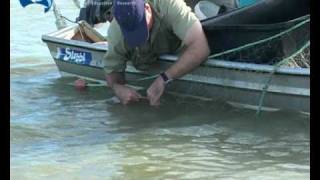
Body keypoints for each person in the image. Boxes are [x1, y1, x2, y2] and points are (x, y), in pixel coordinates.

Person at [103, 0, 210, 106]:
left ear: (147, 9)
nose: (140, 37)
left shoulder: (170, 6)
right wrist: (118, 88)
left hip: (178, 51)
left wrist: (164, 78)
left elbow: (201, 47)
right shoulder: (116, 31)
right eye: (132, 33)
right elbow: (112, 73)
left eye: (140, 27)